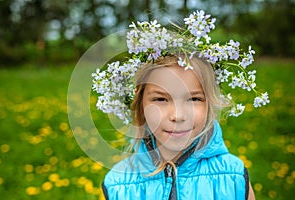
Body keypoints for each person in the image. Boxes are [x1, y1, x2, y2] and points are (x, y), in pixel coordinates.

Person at [92, 10, 268, 200]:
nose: (178, 115)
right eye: (160, 99)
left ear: (209, 103)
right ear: (140, 103)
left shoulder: (234, 177)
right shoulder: (118, 186)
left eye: (193, 99)